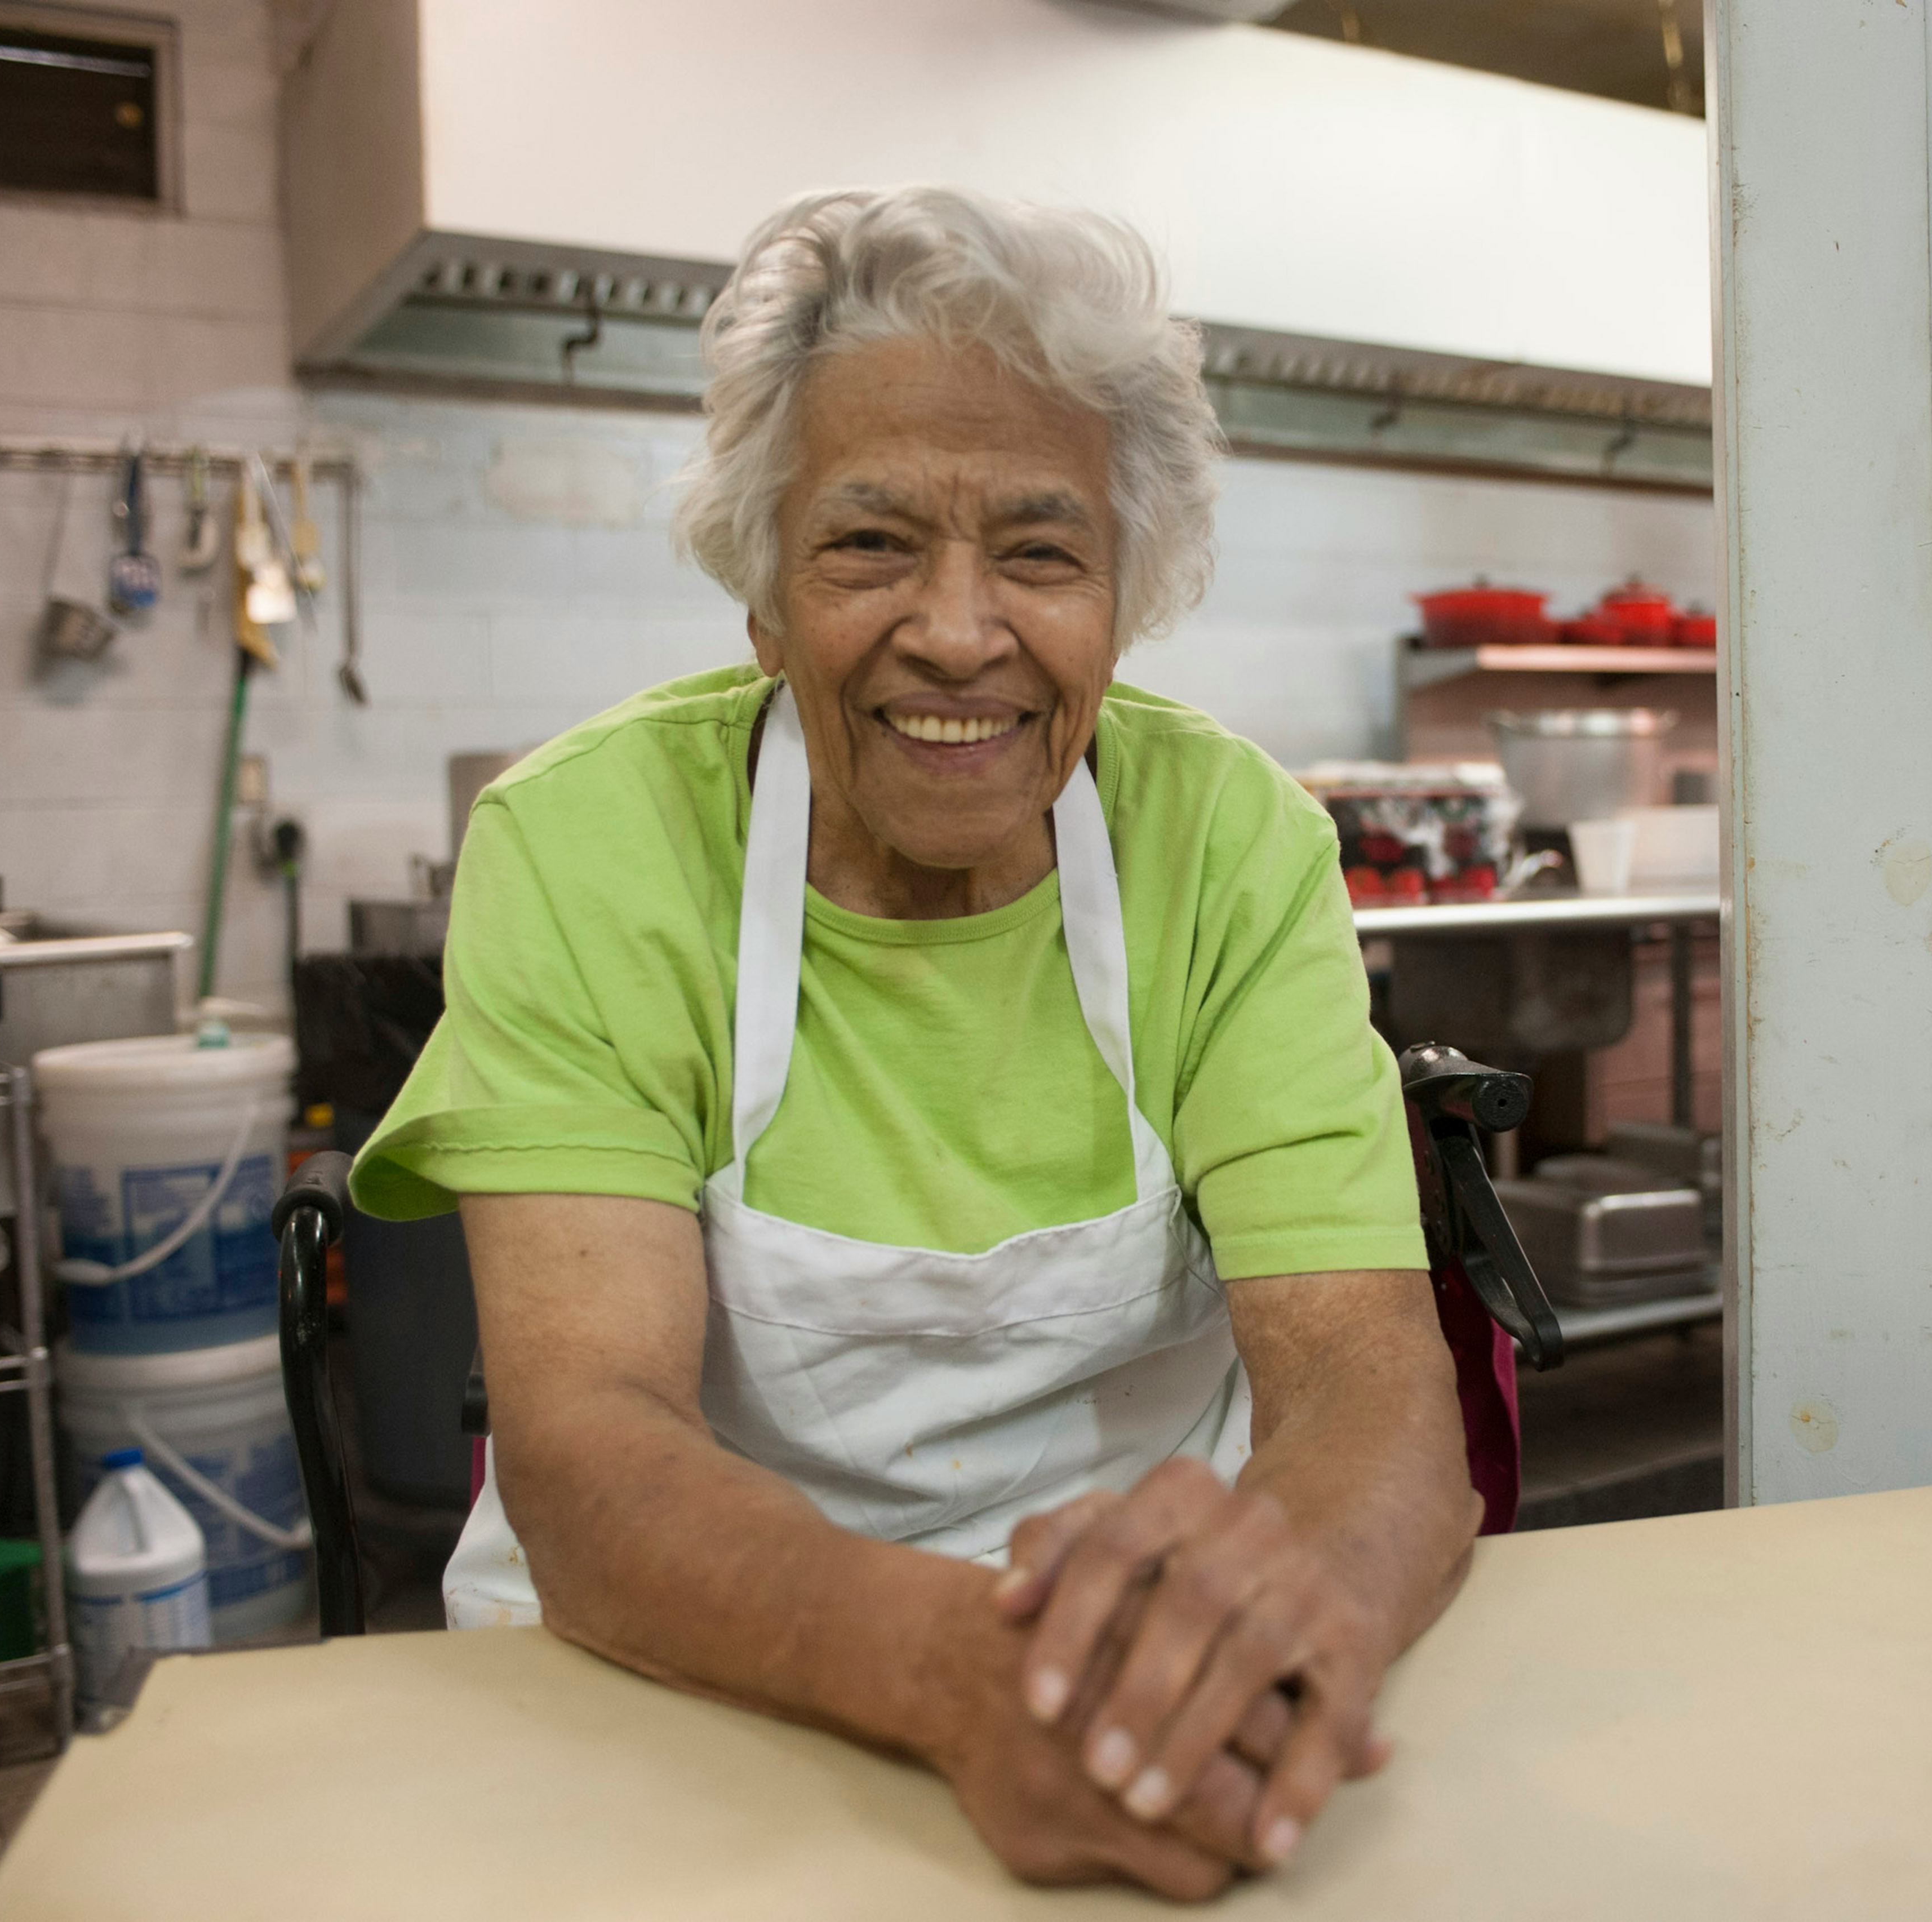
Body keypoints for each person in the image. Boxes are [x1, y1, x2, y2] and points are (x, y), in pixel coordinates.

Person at [351, 184, 1477, 1898]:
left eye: (1040, 551)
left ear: (1123, 596)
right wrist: (961, 1672)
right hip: (678, 1693)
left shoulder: (1231, 846)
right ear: (761, 592)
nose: (959, 632)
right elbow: (590, 1439)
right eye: (872, 543)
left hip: (1141, 1698)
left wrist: (1264, 1619)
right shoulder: (587, 846)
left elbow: (1371, 1390)